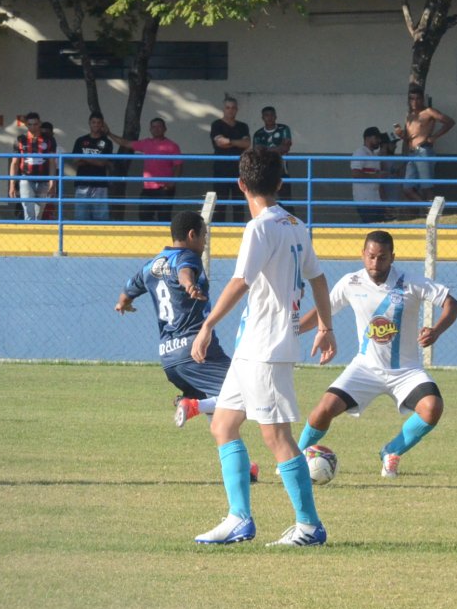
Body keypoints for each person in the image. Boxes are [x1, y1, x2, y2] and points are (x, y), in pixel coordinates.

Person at [190, 147, 337, 548]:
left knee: (277, 437)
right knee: (223, 425)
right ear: (280, 182)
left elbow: (240, 282)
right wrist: (325, 324)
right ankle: (239, 519)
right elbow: (319, 280)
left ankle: (310, 526)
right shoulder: (295, 224)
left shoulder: (258, 228)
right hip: (250, 348)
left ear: (241, 184)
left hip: (265, 349)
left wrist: (207, 325)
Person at [294, 231, 457, 478]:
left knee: (432, 408)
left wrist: (436, 330)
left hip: (406, 371)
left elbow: (452, 303)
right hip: (365, 369)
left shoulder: (411, 282)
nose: (375, 263)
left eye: (382, 258)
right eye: (370, 256)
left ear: (392, 257)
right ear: (362, 254)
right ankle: (294, 460)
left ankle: (391, 452)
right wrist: (291, 330)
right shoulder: (351, 282)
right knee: (322, 410)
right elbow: (322, 311)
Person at [115, 211, 234, 432]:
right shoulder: (187, 256)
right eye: (204, 236)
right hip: (196, 349)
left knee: (216, 410)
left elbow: (128, 290)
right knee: (244, 392)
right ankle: (192, 405)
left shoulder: (150, 266)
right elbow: (184, 272)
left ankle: (238, 467)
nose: (205, 242)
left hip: (169, 358)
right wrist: (189, 285)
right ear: (191, 235)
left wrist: (123, 304)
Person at [105, 117, 183, 223]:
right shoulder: (146, 143)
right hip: (147, 189)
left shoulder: (172, 146)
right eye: (153, 127)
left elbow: (178, 165)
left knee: (164, 219)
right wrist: (109, 133)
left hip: (164, 189)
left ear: (165, 129)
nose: (156, 129)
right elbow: (125, 143)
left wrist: (172, 183)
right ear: (150, 129)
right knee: (144, 218)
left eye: (159, 126)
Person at [393, 85, 455, 203]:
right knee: (407, 188)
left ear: (422, 100)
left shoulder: (429, 112)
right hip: (412, 153)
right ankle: (427, 210)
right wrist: (401, 134)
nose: (414, 102)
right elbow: (409, 138)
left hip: (423, 150)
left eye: (417, 99)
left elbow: (449, 122)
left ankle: (432, 213)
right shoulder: (410, 116)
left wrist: (435, 137)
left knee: (427, 187)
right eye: (412, 99)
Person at [8, 112, 57, 221]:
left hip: (43, 179)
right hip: (26, 178)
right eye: (30, 124)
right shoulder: (20, 139)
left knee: (39, 213)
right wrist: (11, 184)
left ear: (39, 124)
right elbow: (14, 163)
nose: (33, 127)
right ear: (26, 125)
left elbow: (52, 162)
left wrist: (52, 183)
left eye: (35, 124)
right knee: (28, 211)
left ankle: (36, 235)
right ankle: (28, 234)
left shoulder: (49, 140)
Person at [210, 95, 250, 223]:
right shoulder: (216, 125)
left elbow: (247, 144)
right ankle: (218, 228)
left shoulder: (243, 126)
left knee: (238, 202)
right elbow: (219, 142)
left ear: (236, 109)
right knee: (220, 201)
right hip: (221, 168)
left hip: (239, 168)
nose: (230, 110)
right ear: (223, 109)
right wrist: (237, 142)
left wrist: (229, 142)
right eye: (228, 108)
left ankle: (239, 227)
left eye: (233, 108)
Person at [252, 106, 296, 217]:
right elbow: (257, 152)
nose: (269, 117)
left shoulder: (284, 129)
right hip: (264, 170)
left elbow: (285, 148)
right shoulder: (258, 134)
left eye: (272, 115)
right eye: (266, 115)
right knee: (265, 198)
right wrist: (276, 149)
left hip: (281, 169)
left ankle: (292, 223)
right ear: (262, 118)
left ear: (276, 116)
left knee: (286, 199)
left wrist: (265, 150)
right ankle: (265, 220)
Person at [72, 113, 114, 221]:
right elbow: (75, 161)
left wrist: (84, 158)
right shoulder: (80, 140)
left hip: (99, 184)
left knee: (100, 217)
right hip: (82, 183)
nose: (96, 125)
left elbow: (102, 163)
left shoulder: (107, 142)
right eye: (93, 122)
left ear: (102, 124)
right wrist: (94, 160)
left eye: (98, 122)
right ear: (89, 123)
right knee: (81, 216)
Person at [351, 127, 387, 224]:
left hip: (376, 199)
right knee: (370, 226)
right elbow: (355, 173)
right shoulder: (360, 153)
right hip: (364, 200)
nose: (379, 141)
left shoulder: (374, 156)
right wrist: (375, 176)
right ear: (367, 138)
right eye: (376, 138)